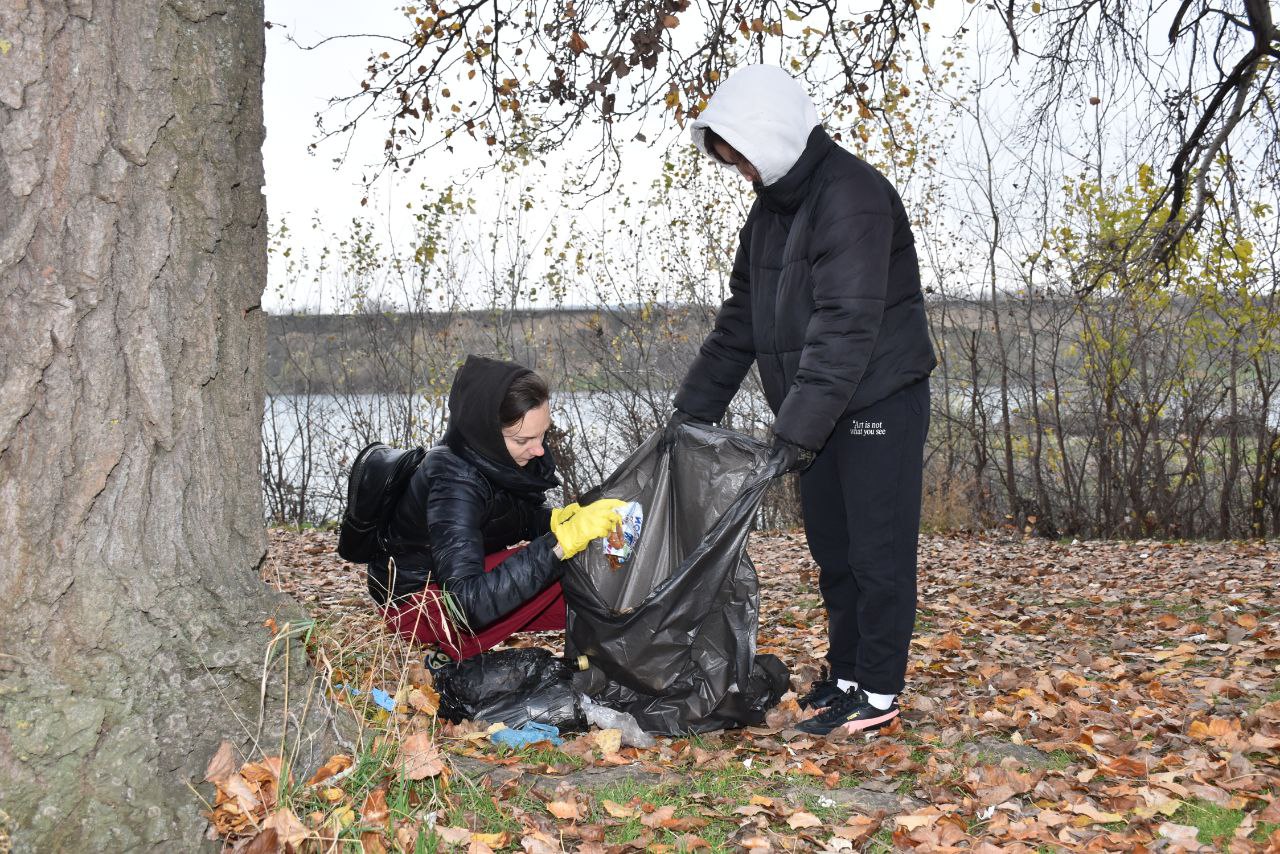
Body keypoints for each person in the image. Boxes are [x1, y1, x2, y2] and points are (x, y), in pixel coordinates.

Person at [669, 64, 936, 736]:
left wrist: (793, 434)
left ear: (773, 136)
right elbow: (742, 323)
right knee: (835, 553)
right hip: (816, 415)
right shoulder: (768, 216)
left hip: (877, 400)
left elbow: (846, 326)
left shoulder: (854, 197)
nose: (744, 175)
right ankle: (845, 677)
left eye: (745, 160)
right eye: (733, 165)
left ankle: (878, 692)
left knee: (877, 557)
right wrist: (692, 410)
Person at [370, 354, 624, 660]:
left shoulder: (494, 459)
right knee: (568, 567)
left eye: (543, 433)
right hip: (421, 608)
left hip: (453, 583)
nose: (539, 449)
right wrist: (560, 543)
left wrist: (555, 519)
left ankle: (615, 645)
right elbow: (465, 605)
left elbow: (507, 516)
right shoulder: (454, 480)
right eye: (524, 440)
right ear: (487, 432)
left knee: (590, 578)